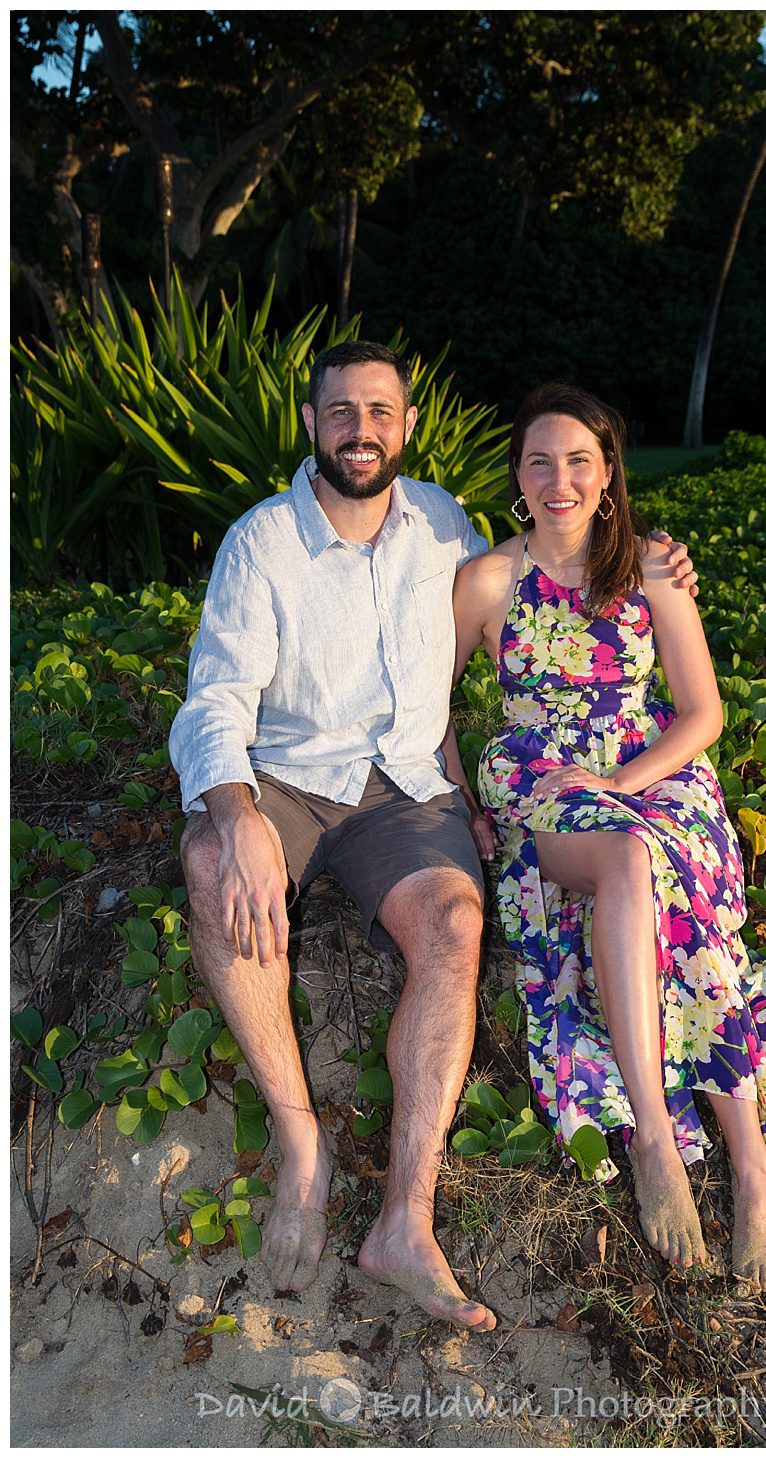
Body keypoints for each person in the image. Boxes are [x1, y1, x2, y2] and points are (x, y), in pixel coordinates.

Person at [168, 342, 697, 1329]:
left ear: (406, 425)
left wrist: (660, 558)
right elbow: (217, 698)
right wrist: (235, 816)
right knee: (207, 861)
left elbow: (560, 553)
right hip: (286, 774)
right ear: (313, 422)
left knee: (455, 924)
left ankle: (404, 1223)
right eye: (340, 412)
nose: (359, 430)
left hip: (403, 793)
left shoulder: (446, 529)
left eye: (379, 411)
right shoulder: (261, 542)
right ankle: (303, 1149)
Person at [449, 383, 766, 1291]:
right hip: (544, 775)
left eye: (579, 460)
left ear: (610, 473)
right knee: (627, 855)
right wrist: (466, 802)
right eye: (540, 461)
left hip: (649, 768)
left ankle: (747, 1166)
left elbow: (703, 713)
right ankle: (655, 1135)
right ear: (517, 479)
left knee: (675, 880)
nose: (559, 479)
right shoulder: (488, 580)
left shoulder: (653, 566)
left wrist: (625, 779)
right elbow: (428, 717)